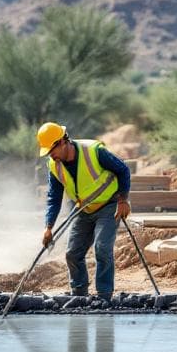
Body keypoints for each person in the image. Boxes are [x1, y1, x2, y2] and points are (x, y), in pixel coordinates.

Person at [37, 122, 132, 301]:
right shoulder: (54, 165)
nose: (51, 155)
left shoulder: (94, 152)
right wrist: (48, 226)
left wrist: (123, 200)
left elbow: (123, 170)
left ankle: (104, 296)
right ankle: (79, 295)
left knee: (102, 248)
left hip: (109, 205)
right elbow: (54, 197)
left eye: (52, 150)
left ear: (62, 142)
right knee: (72, 253)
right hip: (83, 209)